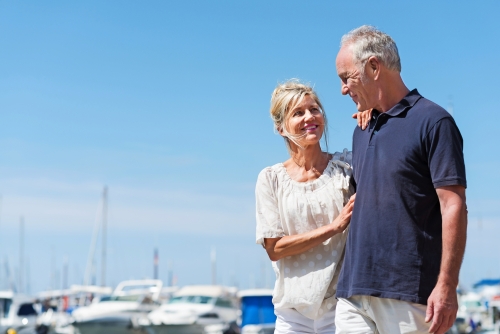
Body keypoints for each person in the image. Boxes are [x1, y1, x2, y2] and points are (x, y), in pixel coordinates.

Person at [334, 25, 467, 334]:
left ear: (374, 66)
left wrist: (447, 284)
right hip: (353, 292)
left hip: (409, 295)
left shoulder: (434, 121)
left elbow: (453, 205)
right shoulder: (361, 128)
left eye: (346, 77)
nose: (342, 89)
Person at [255, 80, 368, 333]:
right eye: (298, 113)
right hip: (293, 315)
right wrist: (333, 227)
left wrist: (371, 121)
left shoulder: (347, 167)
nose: (310, 117)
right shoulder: (270, 179)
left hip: (344, 308)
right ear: (280, 128)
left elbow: (384, 160)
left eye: (314, 109)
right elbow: (275, 248)